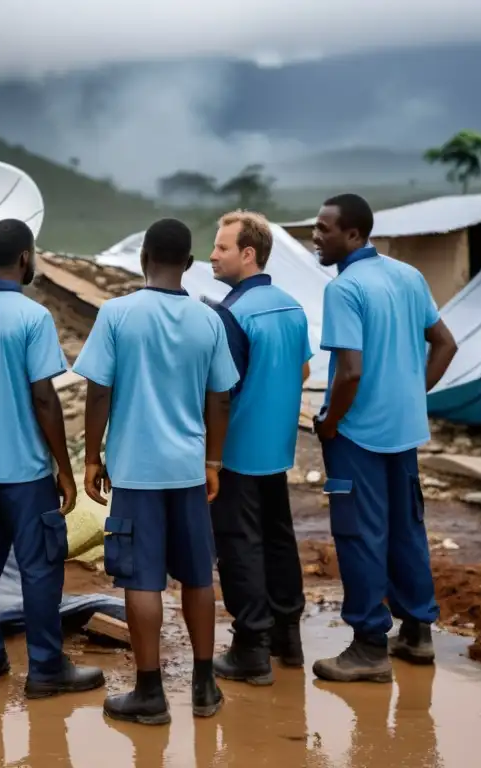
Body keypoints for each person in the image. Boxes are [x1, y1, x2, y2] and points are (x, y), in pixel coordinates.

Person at [73, 218, 239, 725]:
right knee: (196, 578)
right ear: (189, 264)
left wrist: (93, 457)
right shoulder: (208, 320)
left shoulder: (118, 315)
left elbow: (98, 390)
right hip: (188, 471)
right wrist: (213, 461)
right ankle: (205, 687)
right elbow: (221, 398)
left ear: (143, 258)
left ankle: (150, 695)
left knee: (142, 581)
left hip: (136, 473)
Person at [0, 218, 104, 699]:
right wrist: (64, 470)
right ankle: (46, 669)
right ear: (26, 258)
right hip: (24, 470)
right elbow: (44, 398)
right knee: (40, 565)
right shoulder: (31, 318)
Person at [311, 194, 458, 683]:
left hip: (358, 434)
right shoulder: (407, 277)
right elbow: (445, 343)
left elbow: (349, 372)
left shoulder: (346, 289)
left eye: (324, 228)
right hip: (403, 431)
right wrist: (410, 393)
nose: (316, 235)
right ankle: (417, 633)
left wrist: (331, 422)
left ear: (354, 235)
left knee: (358, 535)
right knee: (406, 530)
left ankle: (369, 647)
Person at [207, 210, 311, 684]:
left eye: (222, 247)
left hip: (237, 450)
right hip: (278, 448)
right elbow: (303, 372)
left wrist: (209, 452)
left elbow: (222, 392)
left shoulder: (232, 313)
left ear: (248, 255)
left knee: (239, 544)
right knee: (277, 535)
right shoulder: (291, 307)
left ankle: (251, 647)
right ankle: (288, 636)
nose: (213, 255)